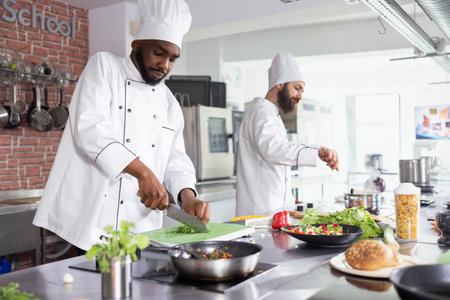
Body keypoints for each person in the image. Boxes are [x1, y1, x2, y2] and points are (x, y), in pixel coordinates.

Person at [33, 0, 210, 251]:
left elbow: (175, 159)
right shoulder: (104, 67)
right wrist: (144, 173)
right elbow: (90, 129)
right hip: (93, 225)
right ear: (136, 44)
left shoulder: (170, 103)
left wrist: (188, 196)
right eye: (159, 53)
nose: (165, 66)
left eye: (173, 59)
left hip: (142, 227)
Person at [236, 52, 339, 216]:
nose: (300, 96)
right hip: (259, 214)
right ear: (279, 84)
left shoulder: (272, 115)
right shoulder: (260, 112)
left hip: (275, 212)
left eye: (302, 91)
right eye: (297, 88)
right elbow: (274, 150)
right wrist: (316, 151)